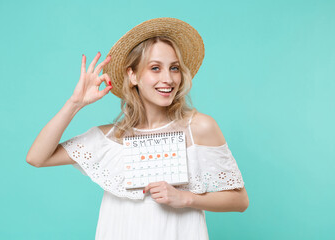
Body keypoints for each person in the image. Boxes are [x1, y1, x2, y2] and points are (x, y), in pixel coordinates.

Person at [26, 17, 249, 240]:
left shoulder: (199, 127)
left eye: (174, 68)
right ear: (132, 75)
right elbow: (37, 158)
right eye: (155, 68)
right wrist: (75, 103)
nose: (168, 79)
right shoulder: (110, 138)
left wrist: (187, 198)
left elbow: (240, 201)